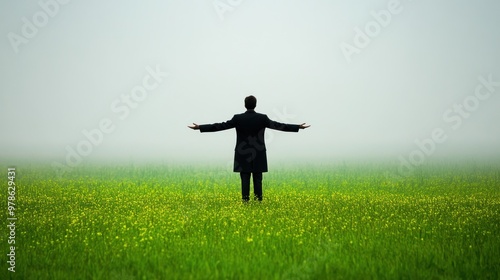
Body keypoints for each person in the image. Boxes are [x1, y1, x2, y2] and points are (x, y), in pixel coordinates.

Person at [188, 95, 310, 202]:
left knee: (244, 180)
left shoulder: (238, 118)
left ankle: (245, 202)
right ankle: (258, 202)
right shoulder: (262, 118)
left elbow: (220, 126)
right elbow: (279, 126)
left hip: (242, 155)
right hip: (259, 154)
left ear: (245, 105)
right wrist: (297, 127)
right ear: (255, 105)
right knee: (258, 180)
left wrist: (200, 127)